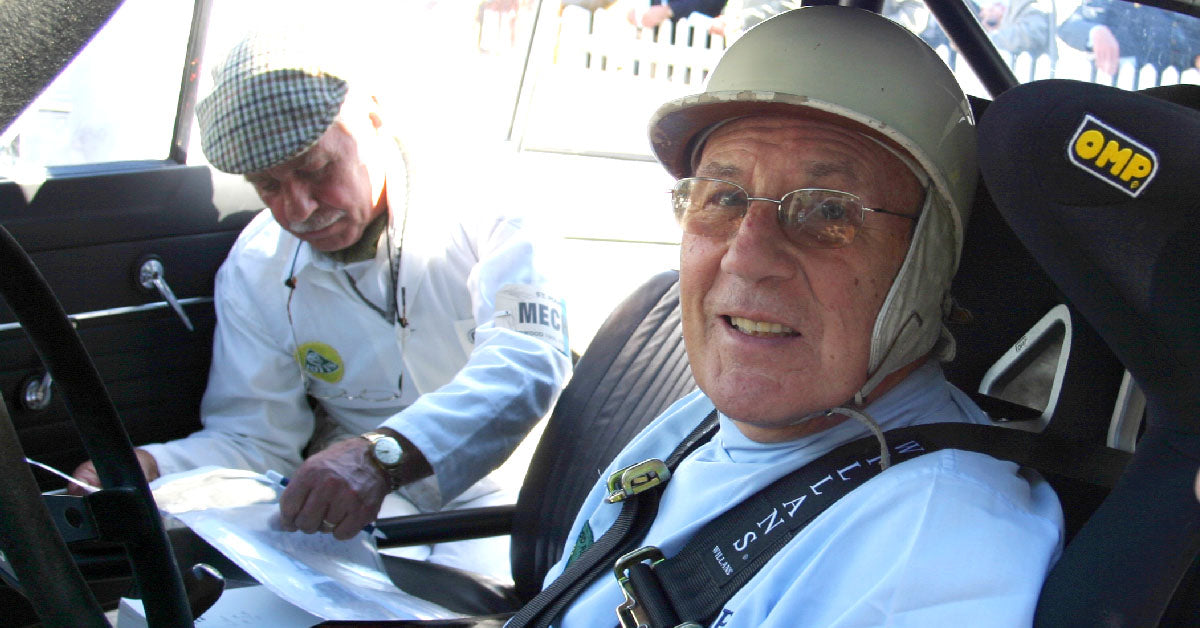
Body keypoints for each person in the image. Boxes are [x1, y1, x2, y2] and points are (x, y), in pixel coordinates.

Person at [527, 7, 1062, 626]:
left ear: (928, 262)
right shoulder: (693, 425)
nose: (746, 255)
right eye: (722, 199)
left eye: (827, 211)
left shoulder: (933, 546)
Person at [72, 31, 572, 576]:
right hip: (369, 496)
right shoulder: (255, 267)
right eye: (268, 186)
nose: (299, 208)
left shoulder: (493, 203)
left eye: (316, 170)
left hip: (513, 489)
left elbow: (528, 361)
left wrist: (382, 454)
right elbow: (256, 440)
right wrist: (154, 465)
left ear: (374, 118)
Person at [1060, 0, 1200, 77]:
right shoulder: (1112, 3)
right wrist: (1096, 31)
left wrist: (1195, 59)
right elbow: (1069, 28)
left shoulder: (1188, 12)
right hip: (1119, 89)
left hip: (1173, 96)